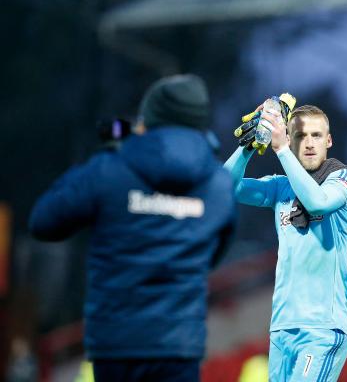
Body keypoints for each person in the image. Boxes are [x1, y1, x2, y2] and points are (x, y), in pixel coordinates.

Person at [29, 74, 236, 382]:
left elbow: (44, 222)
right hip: (179, 345)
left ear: (149, 118)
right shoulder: (220, 185)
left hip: (116, 344)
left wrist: (104, 157)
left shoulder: (110, 168)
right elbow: (212, 256)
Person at [225, 103, 347, 381]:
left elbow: (317, 203)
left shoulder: (345, 180)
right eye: (301, 136)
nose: (310, 143)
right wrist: (249, 145)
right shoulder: (281, 186)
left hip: (323, 328)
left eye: (316, 135)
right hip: (281, 327)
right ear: (290, 139)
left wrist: (279, 149)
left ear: (329, 141)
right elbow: (224, 187)